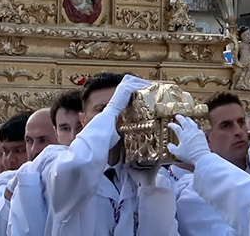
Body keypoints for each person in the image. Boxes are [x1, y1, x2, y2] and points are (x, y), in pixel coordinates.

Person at [39, 72, 176, 236]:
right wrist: (112, 109)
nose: (119, 117)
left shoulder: (153, 177)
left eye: (126, 109)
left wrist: (149, 188)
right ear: (83, 120)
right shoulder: (57, 161)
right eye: (102, 109)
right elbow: (76, 169)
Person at [174, 92, 250, 236]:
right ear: (206, 138)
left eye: (241, 122)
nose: (238, 131)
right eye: (226, 126)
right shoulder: (194, 193)